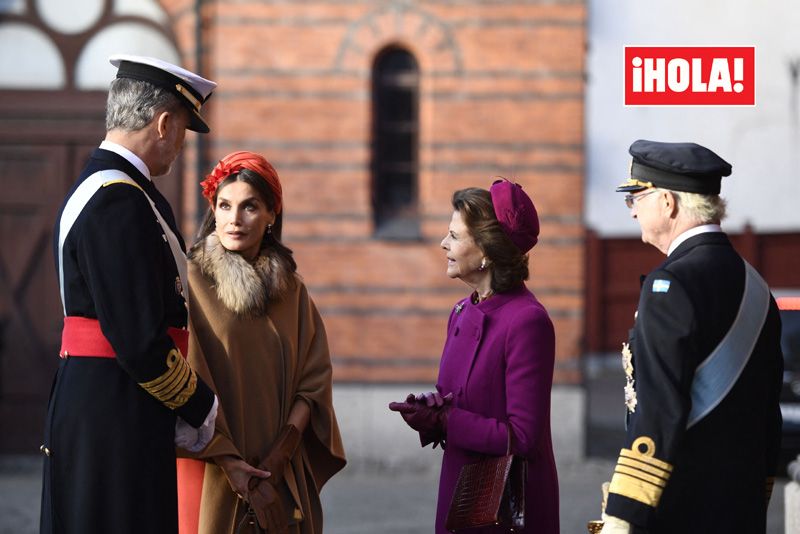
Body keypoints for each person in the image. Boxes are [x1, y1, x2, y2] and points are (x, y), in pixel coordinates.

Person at [42, 55, 220, 534]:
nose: (180, 147)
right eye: (182, 130)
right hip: (115, 412)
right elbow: (140, 339)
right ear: (163, 124)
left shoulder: (115, 190)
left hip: (110, 404)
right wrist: (202, 407)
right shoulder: (117, 200)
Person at [599, 140, 783, 534]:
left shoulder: (672, 282)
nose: (632, 210)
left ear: (668, 202)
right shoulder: (757, 285)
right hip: (741, 507)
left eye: (638, 196)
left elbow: (660, 407)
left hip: (680, 507)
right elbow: (768, 412)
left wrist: (625, 511)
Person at [176, 151, 346, 534]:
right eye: (224, 205)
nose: (234, 219)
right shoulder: (188, 284)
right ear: (213, 211)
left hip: (278, 470)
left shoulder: (293, 292)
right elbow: (176, 376)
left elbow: (314, 383)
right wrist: (229, 462)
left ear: (272, 214)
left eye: (250, 206)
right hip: (208, 467)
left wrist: (278, 458)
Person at [389, 179, 559, 534]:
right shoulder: (461, 311)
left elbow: (523, 436)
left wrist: (447, 421)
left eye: (455, 236)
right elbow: (459, 399)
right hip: (461, 486)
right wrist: (429, 410)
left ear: (486, 251)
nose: (443, 243)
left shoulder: (528, 321)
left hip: (507, 505)